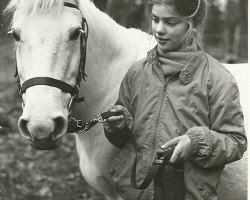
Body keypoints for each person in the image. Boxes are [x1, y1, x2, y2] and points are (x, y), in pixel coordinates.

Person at [103, 0, 247, 199]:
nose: (159, 29)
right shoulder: (137, 72)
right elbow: (123, 139)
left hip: (185, 193)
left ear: (193, 24)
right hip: (135, 192)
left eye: (170, 22)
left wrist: (194, 143)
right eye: (155, 19)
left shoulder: (217, 79)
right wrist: (118, 126)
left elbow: (235, 141)